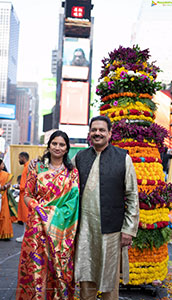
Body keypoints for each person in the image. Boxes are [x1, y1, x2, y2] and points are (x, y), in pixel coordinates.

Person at [74, 115, 139, 300]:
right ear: (89, 134)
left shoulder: (123, 158)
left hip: (112, 231)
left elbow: (132, 196)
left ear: (110, 134)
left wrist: (128, 229)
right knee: (86, 275)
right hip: (85, 230)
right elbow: (65, 185)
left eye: (102, 130)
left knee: (109, 279)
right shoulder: (80, 157)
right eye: (94, 130)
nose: (97, 133)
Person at [16, 130, 80, 300]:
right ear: (49, 145)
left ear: (67, 149)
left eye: (61, 144)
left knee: (58, 269)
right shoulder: (36, 167)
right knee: (35, 268)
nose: (57, 147)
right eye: (54, 143)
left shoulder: (72, 173)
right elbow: (27, 195)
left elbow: (73, 203)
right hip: (36, 228)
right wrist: (37, 208)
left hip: (61, 230)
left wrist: (50, 215)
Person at [16, 152, 29, 242]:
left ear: (23, 157)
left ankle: (25, 235)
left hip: (25, 194)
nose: (19, 160)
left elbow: (24, 185)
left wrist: (18, 187)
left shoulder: (27, 167)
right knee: (25, 217)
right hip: (24, 194)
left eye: (19, 158)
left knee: (26, 217)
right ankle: (25, 235)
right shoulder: (27, 166)